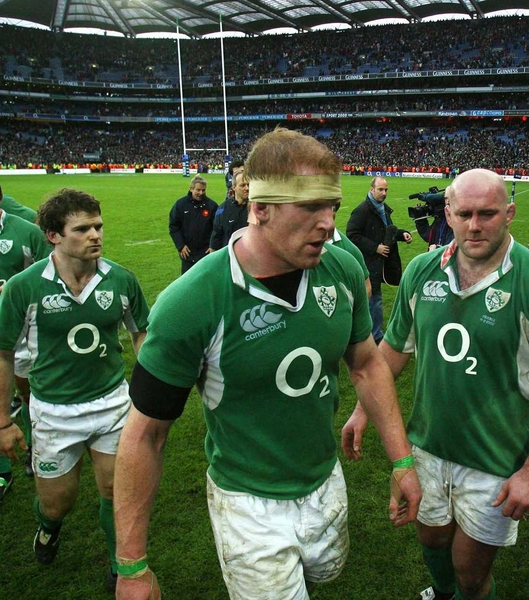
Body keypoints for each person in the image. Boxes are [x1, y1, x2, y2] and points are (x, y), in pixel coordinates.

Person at [113, 128, 421, 600]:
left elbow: (365, 363)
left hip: (325, 480)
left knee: (322, 577)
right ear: (259, 208)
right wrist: (132, 566)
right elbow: (145, 434)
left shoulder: (341, 268)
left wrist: (401, 459)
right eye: (309, 207)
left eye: (332, 207)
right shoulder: (193, 300)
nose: (326, 223)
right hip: (247, 501)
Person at [342, 169, 529, 600]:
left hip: (493, 460)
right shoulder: (422, 271)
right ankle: (441, 592)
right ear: (448, 214)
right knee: (432, 540)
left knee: (471, 574)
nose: (475, 226)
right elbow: (393, 350)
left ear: (509, 214)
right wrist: (364, 408)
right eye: (465, 214)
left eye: (488, 214)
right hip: (426, 447)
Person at [0, 189, 149, 591]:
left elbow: (141, 335)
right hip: (52, 411)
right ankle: (49, 528)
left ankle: (121, 566)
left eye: (98, 226)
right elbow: (3, 354)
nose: (95, 235)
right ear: (53, 235)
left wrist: (150, 388)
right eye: (82, 229)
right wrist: (2, 421)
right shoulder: (24, 288)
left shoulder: (120, 280)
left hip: (112, 404)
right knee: (57, 502)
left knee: (114, 490)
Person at [0, 190, 50, 497]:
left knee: (26, 391)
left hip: (19, 332)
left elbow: (49, 273)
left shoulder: (26, 232)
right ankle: (3, 469)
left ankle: (31, 444)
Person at [346, 176, 412, 343]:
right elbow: (352, 235)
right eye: (380, 189)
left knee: (373, 298)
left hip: (380, 263)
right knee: (374, 299)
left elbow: (387, 230)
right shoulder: (363, 210)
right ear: (371, 190)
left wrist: (401, 234)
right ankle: (374, 336)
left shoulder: (381, 208)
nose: (384, 193)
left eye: (386, 190)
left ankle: (368, 332)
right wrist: (375, 247)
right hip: (369, 262)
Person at [168, 175, 218, 274]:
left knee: (205, 282)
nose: (201, 193)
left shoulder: (212, 206)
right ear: (191, 189)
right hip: (187, 253)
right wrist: (180, 245)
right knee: (187, 284)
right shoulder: (180, 204)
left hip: (206, 253)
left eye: (203, 190)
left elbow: (217, 228)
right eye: (198, 190)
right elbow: (174, 226)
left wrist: (213, 246)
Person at [210, 171, 249, 250]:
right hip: (229, 256)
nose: (247, 188)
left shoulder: (257, 208)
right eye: (243, 185)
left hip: (251, 257)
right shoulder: (223, 208)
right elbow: (216, 235)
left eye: (248, 185)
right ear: (234, 187)